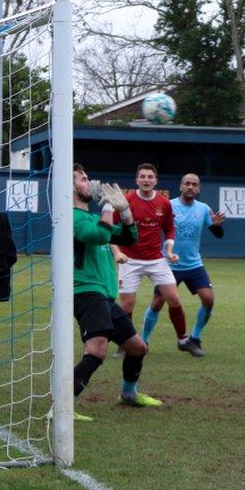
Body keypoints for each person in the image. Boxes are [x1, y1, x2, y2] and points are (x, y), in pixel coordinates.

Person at [71, 164, 161, 409]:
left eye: (88, 177)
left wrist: (126, 210)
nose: (88, 182)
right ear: (69, 187)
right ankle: (62, 406)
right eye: (82, 179)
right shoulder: (70, 217)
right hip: (86, 292)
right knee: (96, 351)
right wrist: (108, 206)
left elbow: (129, 237)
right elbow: (101, 235)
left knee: (137, 347)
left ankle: (128, 394)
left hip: (104, 295)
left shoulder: (90, 216)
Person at [112, 163, 195, 354]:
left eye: (150, 177)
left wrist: (169, 249)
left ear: (155, 181)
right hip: (129, 259)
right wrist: (117, 252)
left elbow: (169, 229)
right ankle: (125, 342)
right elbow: (110, 229)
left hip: (156, 260)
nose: (146, 180)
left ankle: (183, 340)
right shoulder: (126, 201)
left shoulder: (163, 203)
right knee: (127, 304)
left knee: (173, 298)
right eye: (142, 177)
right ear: (137, 180)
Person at [141, 174, 225, 357]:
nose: (190, 187)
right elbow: (155, 228)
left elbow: (218, 234)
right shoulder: (168, 205)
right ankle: (144, 341)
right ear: (180, 186)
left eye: (194, 184)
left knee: (209, 299)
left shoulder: (203, 209)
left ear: (199, 189)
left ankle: (194, 338)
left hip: (194, 264)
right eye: (187, 183)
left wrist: (217, 225)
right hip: (169, 264)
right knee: (157, 303)